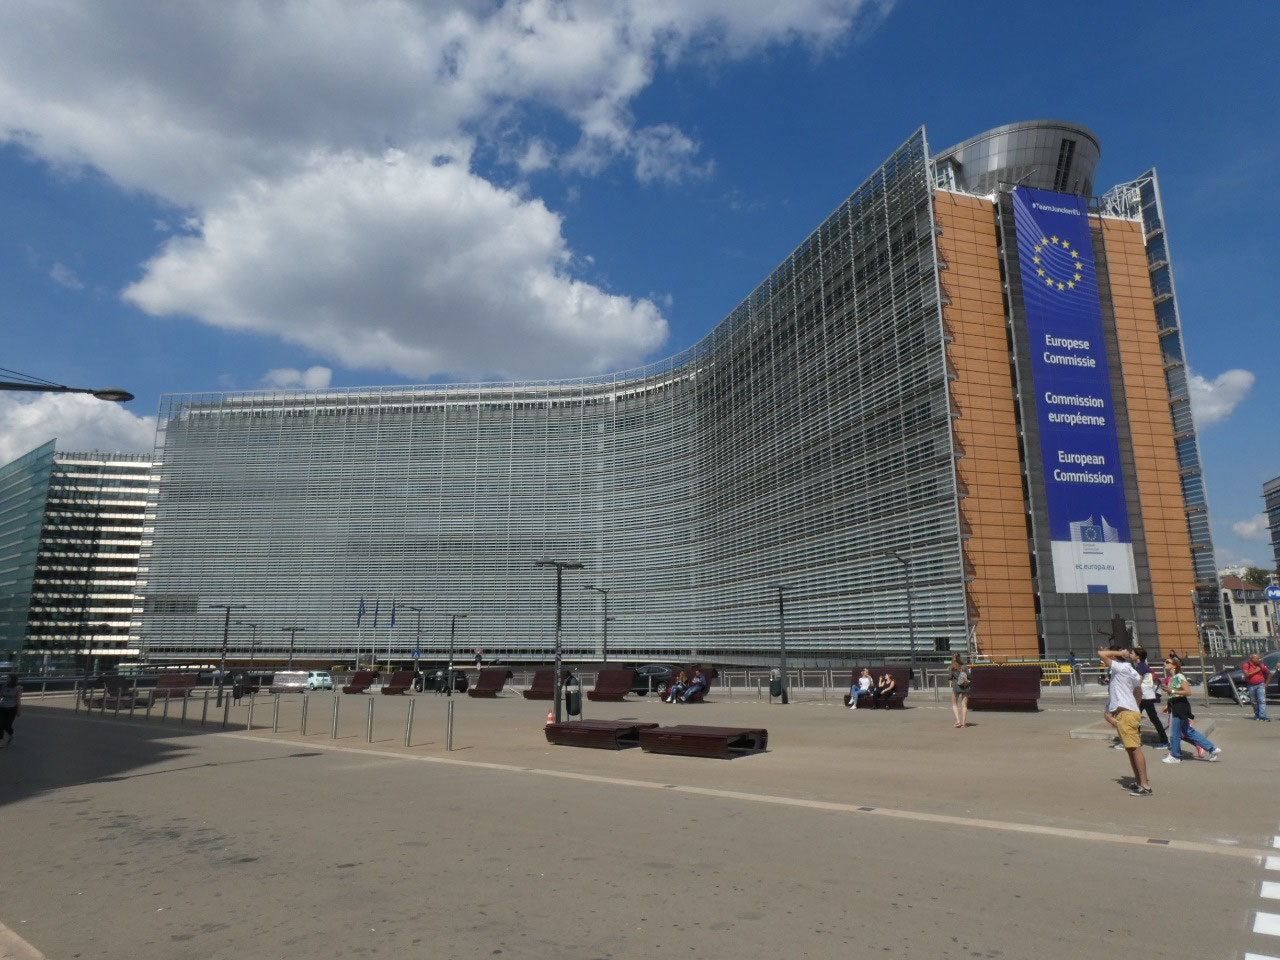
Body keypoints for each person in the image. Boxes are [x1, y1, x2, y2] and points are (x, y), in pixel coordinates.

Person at [1098, 646, 1153, 796]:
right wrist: (1134, 706)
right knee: (1130, 749)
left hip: (1126, 713)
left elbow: (1101, 654)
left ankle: (1145, 786)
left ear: (1114, 658)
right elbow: (1138, 691)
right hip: (1130, 711)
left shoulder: (1120, 668)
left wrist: (1120, 653)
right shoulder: (1131, 671)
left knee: (1134, 749)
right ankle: (1139, 782)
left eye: (1111, 655)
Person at [1160, 656, 1221, 763]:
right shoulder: (1173, 678)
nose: (1165, 663)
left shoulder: (1179, 676)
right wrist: (1168, 700)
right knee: (1188, 731)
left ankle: (1175, 756)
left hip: (1180, 706)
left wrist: (1172, 691)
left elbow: (1188, 692)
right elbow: (1173, 693)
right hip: (1176, 705)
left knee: (1175, 733)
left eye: (1167, 662)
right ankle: (1212, 749)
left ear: (1174, 666)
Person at [1131, 647, 1170, 750]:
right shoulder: (1143, 666)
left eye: (1132, 653)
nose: (1131, 655)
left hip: (1144, 696)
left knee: (1147, 718)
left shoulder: (1141, 666)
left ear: (1138, 656)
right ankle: (1137, 740)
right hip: (1146, 696)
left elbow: (1138, 680)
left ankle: (1164, 741)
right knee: (1141, 717)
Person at [1241, 653, 1271, 722]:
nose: (1259, 660)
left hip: (1260, 684)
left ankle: (1262, 716)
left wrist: (1266, 683)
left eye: (1259, 658)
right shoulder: (1246, 665)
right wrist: (1256, 671)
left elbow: (1269, 673)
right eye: (1257, 658)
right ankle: (1257, 714)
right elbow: (1246, 675)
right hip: (1251, 685)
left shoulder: (1261, 665)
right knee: (1253, 701)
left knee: (1262, 700)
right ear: (1252, 659)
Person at [949, 654, 971, 728]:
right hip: (965, 686)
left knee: (954, 704)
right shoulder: (964, 666)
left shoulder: (952, 667)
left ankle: (958, 721)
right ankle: (964, 723)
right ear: (960, 658)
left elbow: (949, 677)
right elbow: (969, 676)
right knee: (964, 705)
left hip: (956, 687)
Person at [0, 673, 21, 747]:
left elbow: (18, 700)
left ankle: (11, 734)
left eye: (8, 678)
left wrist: (18, 710)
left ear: (12, 679)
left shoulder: (18, 688)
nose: (7, 679)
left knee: (7, 725)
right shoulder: (4, 686)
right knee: (0, 724)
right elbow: (1, 695)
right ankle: (1, 741)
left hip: (12, 708)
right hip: (2, 707)